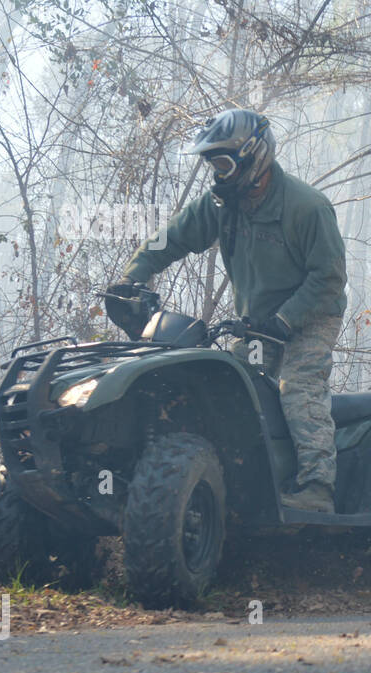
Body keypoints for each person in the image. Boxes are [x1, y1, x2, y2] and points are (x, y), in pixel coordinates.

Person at [112, 109, 347, 512]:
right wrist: (131, 279)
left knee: (298, 387)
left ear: (253, 157)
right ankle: (238, 485)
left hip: (310, 317)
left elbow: (328, 280)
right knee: (228, 390)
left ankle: (317, 487)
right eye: (212, 165)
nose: (217, 175)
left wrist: (285, 320)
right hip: (257, 324)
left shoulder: (308, 208)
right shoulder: (221, 205)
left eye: (223, 163)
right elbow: (168, 239)